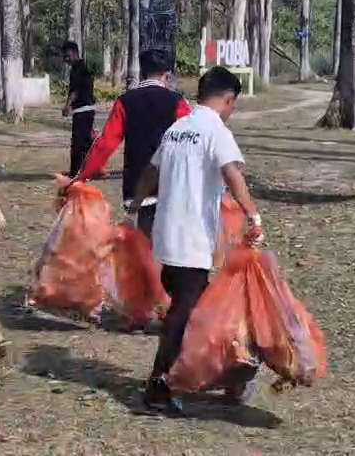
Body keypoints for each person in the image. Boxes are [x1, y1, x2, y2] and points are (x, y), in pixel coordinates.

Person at [125, 67, 264, 414]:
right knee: (184, 316)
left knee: (198, 313)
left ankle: (228, 375)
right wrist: (253, 215)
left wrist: (135, 204)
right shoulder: (215, 131)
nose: (231, 111)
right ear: (228, 99)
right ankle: (158, 388)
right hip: (191, 243)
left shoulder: (178, 129)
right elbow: (233, 174)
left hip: (167, 239)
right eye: (233, 105)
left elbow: (151, 172)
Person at [68, 49, 191, 239]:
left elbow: (106, 143)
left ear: (141, 73)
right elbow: (190, 142)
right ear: (167, 75)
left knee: (144, 243)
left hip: (137, 185)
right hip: (171, 183)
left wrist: (83, 175)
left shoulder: (125, 102)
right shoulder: (178, 102)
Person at [61, 40, 96, 178]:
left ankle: (75, 173)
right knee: (86, 142)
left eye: (67, 56)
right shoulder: (84, 67)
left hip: (82, 110)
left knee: (78, 144)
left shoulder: (78, 69)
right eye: (64, 57)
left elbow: (75, 91)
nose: (66, 60)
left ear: (75, 53)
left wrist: (67, 106)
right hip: (88, 109)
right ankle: (89, 169)